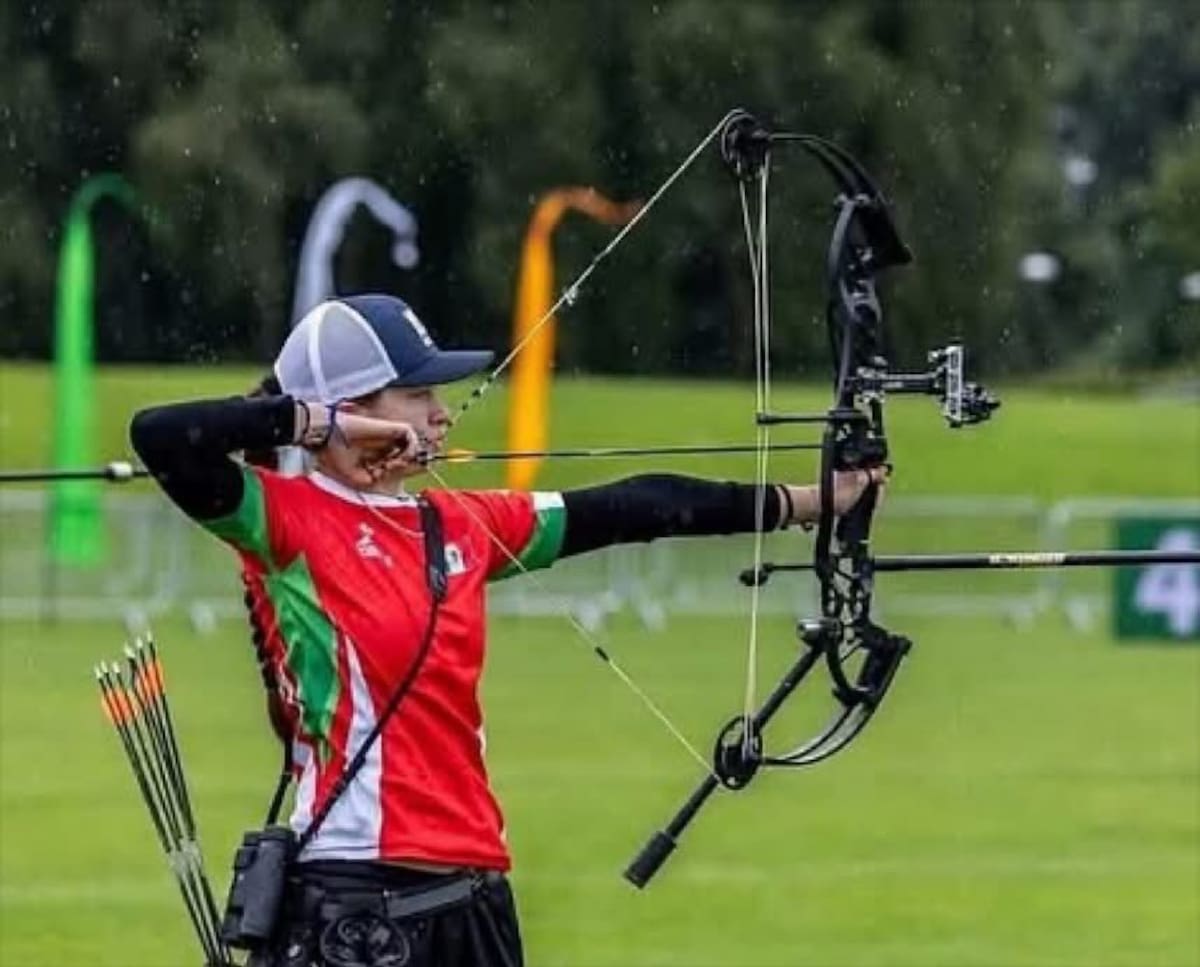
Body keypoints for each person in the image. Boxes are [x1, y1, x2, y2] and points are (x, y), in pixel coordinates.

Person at [129, 293, 884, 967]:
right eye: (418, 393)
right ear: (353, 408)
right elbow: (162, 436)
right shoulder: (284, 520)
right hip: (354, 896)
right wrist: (314, 422)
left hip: (475, 893)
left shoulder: (461, 525)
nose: (440, 414)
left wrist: (814, 500)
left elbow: (636, 506)